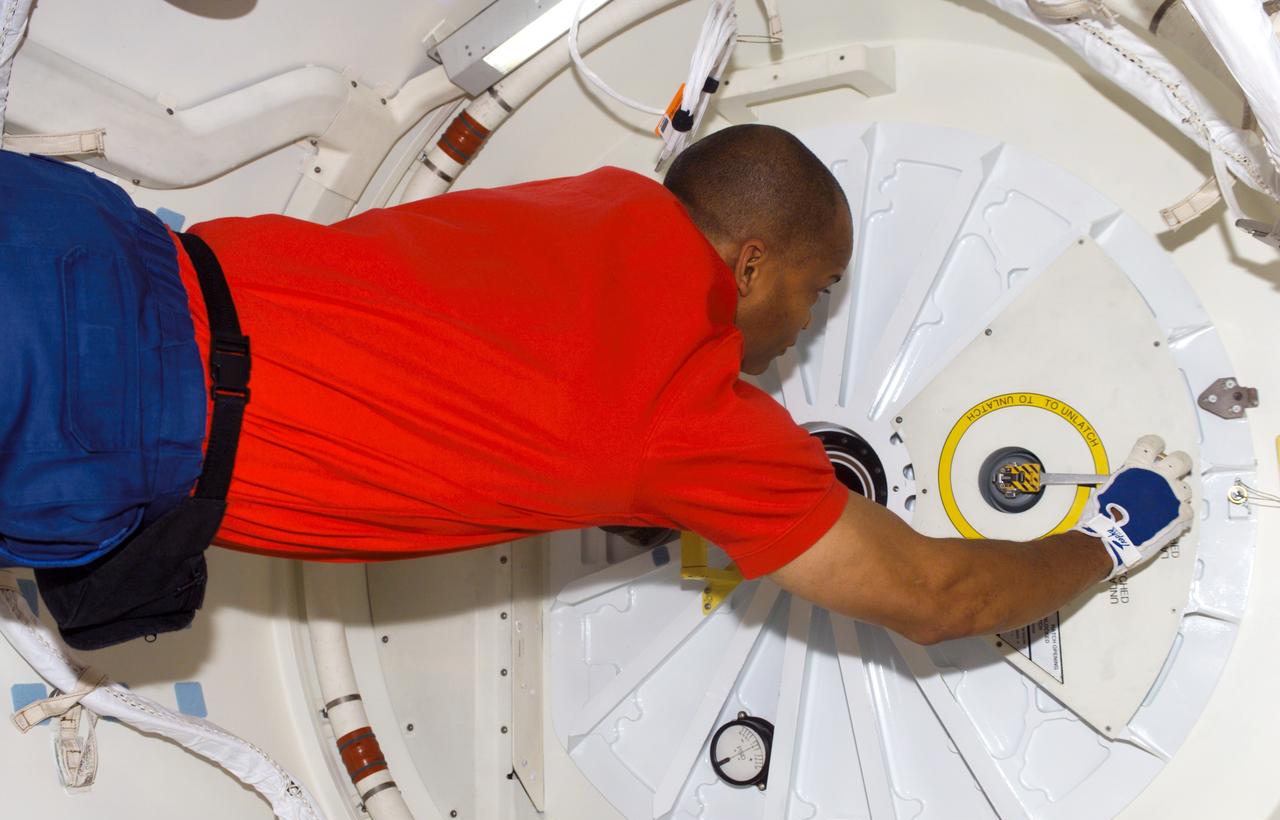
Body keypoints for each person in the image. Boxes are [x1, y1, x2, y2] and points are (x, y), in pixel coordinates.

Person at [0, 124, 1192, 649]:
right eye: (815, 293)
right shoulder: (685, 408)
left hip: (76, 233)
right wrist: (1103, 534)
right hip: (77, 406)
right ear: (749, 262)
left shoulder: (588, 199)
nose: (800, 330)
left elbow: (483, 375)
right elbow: (933, 593)